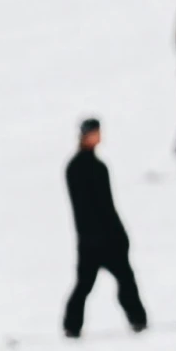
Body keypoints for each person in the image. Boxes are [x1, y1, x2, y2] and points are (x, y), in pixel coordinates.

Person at [64, 120, 146, 338]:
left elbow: (107, 205)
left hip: (103, 238)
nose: (98, 136)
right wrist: (110, 235)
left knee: (124, 280)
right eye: (94, 133)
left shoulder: (96, 166)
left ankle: (138, 321)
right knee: (87, 285)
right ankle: (71, 327)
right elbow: (90, 208)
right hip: (96, 240)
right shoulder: (79, 168)